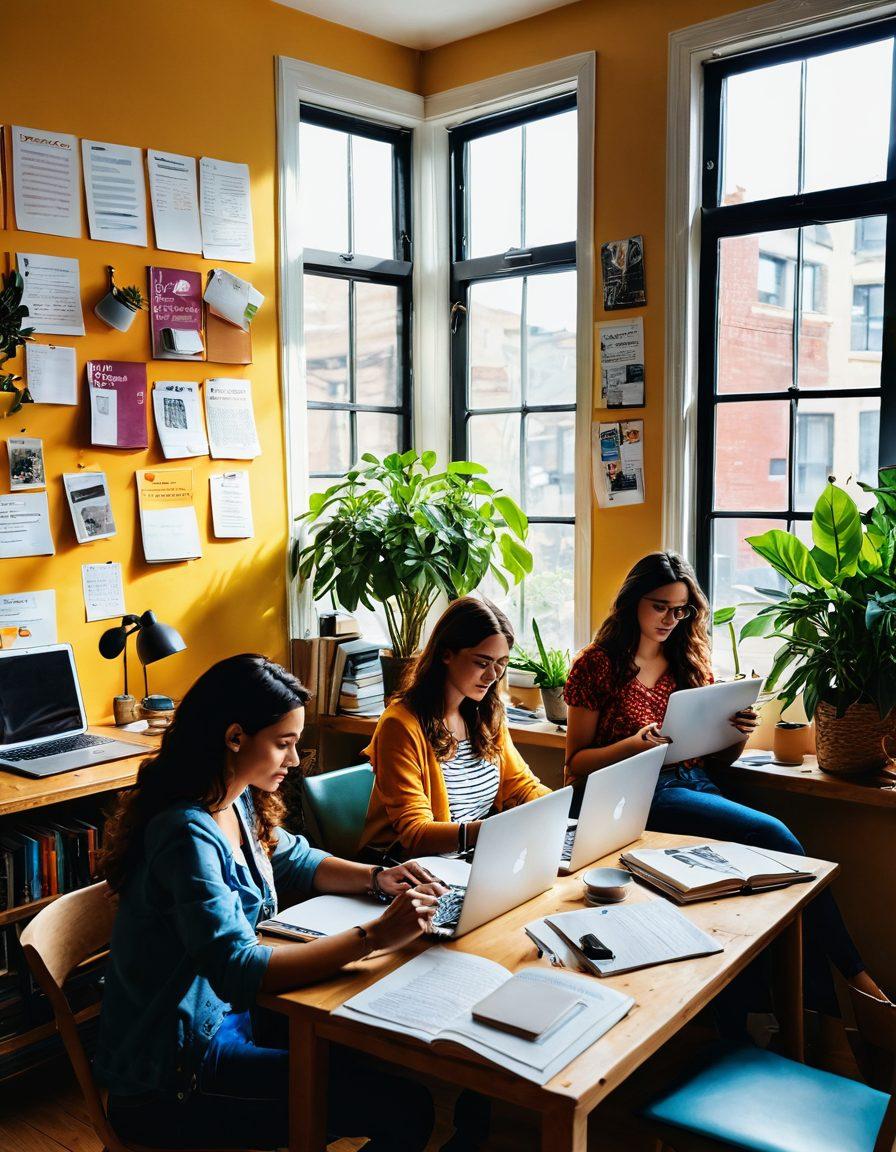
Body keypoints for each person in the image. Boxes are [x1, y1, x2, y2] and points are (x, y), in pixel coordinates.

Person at [94, 653, 450, 1152]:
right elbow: (239, 969)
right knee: (404, 1105)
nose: (295, 760)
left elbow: (295, 859)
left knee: (373, 1060)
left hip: (229, 1021)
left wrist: (378, 877)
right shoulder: (184, 834)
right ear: (235, 736)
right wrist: (376, 936)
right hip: (173, 1077)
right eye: (283, 744)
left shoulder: (234, 795)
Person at [563, 550, 887, 1026]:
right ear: (633, 601)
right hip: (637, 792)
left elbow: (712, 758)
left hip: (695, 781)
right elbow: (575, 765)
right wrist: (633, 745)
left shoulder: (688, 660)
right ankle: (856, 987)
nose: (671, 619)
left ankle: (810, 1013)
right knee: (778, 838)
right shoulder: (597, 665)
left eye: (681, 610)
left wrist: (734, 734)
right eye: (660, 606)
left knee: (781, 868)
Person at [360, 596, 551, 859]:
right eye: (482, 663)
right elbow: (415, 833)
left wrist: (557, 809)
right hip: (411, 867)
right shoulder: (400, 725)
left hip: (473, 857)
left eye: (501, 664)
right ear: (446, 654)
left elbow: (521, 787)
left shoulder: (487, 714)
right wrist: (493, 831)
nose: (493, 676)